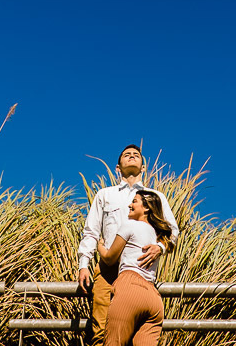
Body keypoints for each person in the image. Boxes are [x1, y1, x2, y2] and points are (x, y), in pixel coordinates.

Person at [77, 144, 180, 346]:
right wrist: (83, 264)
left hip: (140, 269)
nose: (132, 156)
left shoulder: (155, 196)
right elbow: (91, 231)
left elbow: (172, 230)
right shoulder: (105, 195)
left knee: (140, 336)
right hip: (108, 270)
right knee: (102, 332)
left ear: (143, 167)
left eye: (136, 155)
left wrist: (160, 247)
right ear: (118, 167)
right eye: (126, 155)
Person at [95, 190, 173, 346]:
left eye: (135, 201)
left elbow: (110, 258)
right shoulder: (158, 236)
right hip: (154, 299)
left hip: (129, 288)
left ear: (146, 208)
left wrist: (100, 247)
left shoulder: (130, 225)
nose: (130, 205)